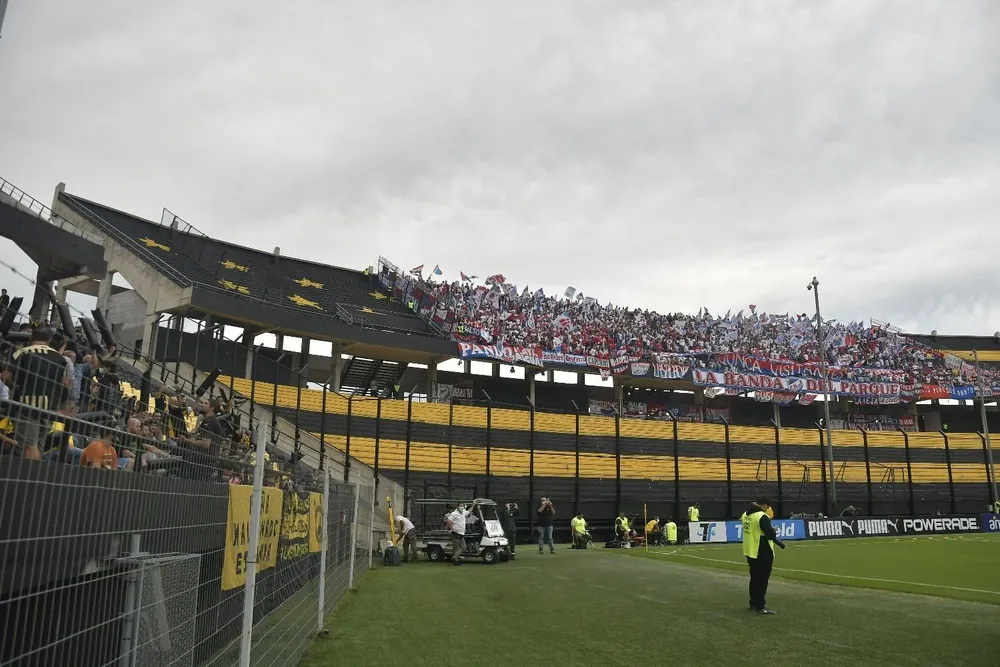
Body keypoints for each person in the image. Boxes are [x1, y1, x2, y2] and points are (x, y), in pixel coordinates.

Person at [10, 327, 70, 460]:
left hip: (26, 405)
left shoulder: (21, 353)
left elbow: (6, 376)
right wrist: (61, 404)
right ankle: (33, 474)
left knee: (30, 446)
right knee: (37, 445)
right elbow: (65, 384)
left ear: (31, 338)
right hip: (49, 407)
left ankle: (31, 477)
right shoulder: (59, 358)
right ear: (49, 340)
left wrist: (16, 387)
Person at [741, 496, 786, 615]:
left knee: (754, 578)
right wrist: (773, 530)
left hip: (750, 550)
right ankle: (760, 606)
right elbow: (770, 535)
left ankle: (753, 603)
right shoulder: (761, 516)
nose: (768, 509)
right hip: (762, 551)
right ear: (764, 505)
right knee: (762, 580)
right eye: (768, 506)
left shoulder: (745, 514)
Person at [446, 501, 476, 565]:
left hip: (461, 533)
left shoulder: (463, 512)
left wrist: (473, 505)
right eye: (460, 506)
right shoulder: (454, 513)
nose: (461, 507)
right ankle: (455, 560)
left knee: (463, 547)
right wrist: (451, 528)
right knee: (456, 547)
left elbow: (469, 511)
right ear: (457, 507)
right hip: (455, 533)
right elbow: (449, 521)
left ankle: (455, 557)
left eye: (462, 506)